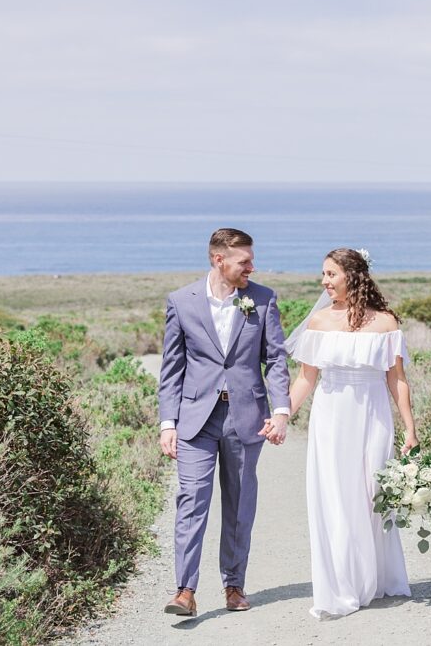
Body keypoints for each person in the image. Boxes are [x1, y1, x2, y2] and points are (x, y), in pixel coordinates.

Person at [157, 228, 291, 617]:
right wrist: (168, 423)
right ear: (219, 260)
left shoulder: (263, 299)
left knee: (239, 505)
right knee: (191, 502)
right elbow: (172, 369)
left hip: (246, 418)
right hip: (195, 421)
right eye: (244, 261)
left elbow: (276, 359)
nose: (252, 266)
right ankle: (185, 590)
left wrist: (280, 410)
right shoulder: (181, 302)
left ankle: (234, 585)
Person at [286, 247, 418, 619]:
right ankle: (342, 587)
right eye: (323, 275)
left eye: (331, 274)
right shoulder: (319, 323)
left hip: (373, 414)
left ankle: (373, 579)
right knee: (335, 497)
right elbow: (305, 379)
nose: (324, 282)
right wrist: (280, 415)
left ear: (352, 275)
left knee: (370, 494)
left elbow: (398, 380)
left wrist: (410, 427)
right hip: (331, 417)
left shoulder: (386, 323)